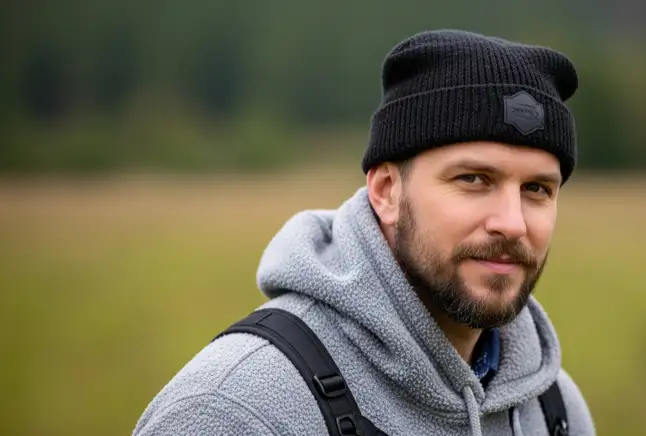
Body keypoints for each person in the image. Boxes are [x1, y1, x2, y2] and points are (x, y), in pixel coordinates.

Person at [132, 29, 595, 436]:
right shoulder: (237, 411)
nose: (512, 222)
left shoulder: (554, 410)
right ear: (387, 191)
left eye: (537, 189)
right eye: (474, 179)